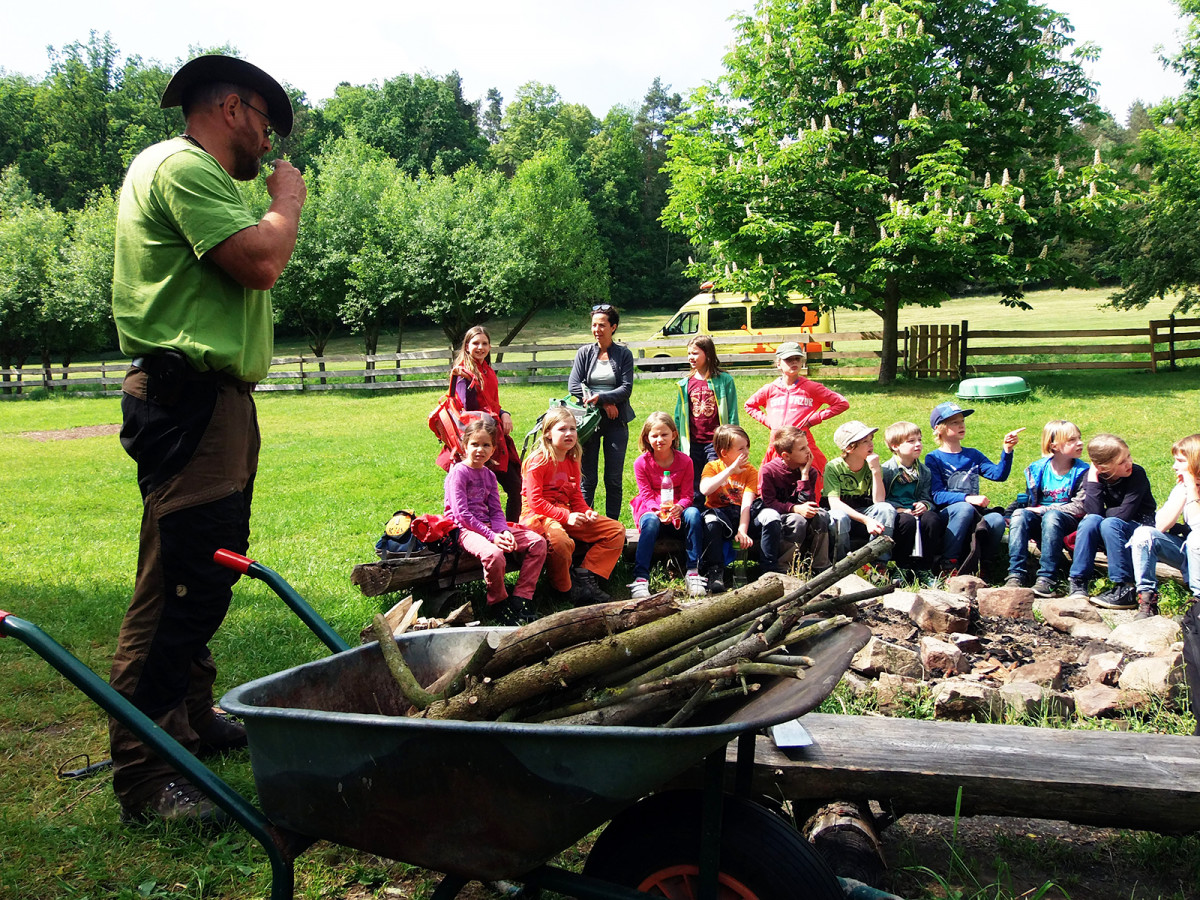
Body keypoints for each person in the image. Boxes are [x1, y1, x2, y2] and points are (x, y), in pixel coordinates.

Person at [109, 55, 306, 826]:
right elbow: (262, 261)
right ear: (231, 108)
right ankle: (146, 773)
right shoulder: (181, 167)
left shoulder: (205, 181)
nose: (269, 139)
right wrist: (286, 202)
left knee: (207, 569)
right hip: (188, 399)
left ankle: (190, 719)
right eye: (265, 120)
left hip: (214, 403)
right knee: (178, 584)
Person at [444, 420, 547, 626]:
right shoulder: (458, 472)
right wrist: (493, 537)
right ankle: (498, 602)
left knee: (538, 543)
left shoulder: (489, 475)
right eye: (475, 444)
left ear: (493, 449)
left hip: (490, 527)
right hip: (464, 529)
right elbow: (462, 514)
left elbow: (496, 510)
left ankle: (522, 597)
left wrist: (504, 531)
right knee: (494, 554)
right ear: (465, 445)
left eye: (486, 445)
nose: (480, 450)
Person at [520, 405, 626, 604]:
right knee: (561, 543)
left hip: (565, 513)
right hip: (538, 516)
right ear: (548, 433)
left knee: (615, 530)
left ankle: (585, 575)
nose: (569, 433)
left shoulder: (573, 458)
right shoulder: (537, 461)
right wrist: (566, 516)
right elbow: (535, 502)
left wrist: (586, 511)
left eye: (573, 429)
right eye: (562, 429)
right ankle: (564, 589)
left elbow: (575, 494)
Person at [926, 402, 1022, 576]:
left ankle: (983, 565)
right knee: (964, 508)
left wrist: (1007, 451)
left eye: (962, 421)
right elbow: (937, 495)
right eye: (954, 422)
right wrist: (967, 498)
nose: (961, 425)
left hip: (975, 513)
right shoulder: (934, 458)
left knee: (996, 520)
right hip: (949, 515)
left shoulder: (973, 455)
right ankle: (948, 564)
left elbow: (999, 475)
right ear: (939, 428)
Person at [742, 341, 848, 496]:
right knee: (772, 484)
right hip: (777, 445)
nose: (794, 362)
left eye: (797, 359)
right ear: (778, 363)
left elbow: (842, 403)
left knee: (811, 481)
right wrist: (768, 421)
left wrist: (816, 418)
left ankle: (813, 505)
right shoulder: (770, 389)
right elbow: (749, 405)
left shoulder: (811, 387)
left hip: (803, 444)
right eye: (788, 359)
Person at [1067, 433, 1157, 610]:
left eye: (1129, 456)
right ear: (1102, 468)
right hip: (1110, 530)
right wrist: (1093, 479)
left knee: (1108, 523)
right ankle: (1078, 581)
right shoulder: (1092, 477)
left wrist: (1104, 513)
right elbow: (1093, 513)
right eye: (1122, 462)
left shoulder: (1136, 474)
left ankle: (1125, 587)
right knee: (1090, 521)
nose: (1129, 463)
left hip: (1139, 528)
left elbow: (1125, 514)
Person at [445, 325, 522, 521]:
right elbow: (467, 412)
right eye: (476, 343)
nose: (480, 347)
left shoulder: (486, 369)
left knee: (515, 486)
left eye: (485, 343)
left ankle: (510, 528)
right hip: (479, 438)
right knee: (479, 492)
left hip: (493, 434)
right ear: (467, 346)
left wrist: (504, 413)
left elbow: (490, 403)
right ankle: (483, 528)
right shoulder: (464, 374)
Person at [1005, 420, 1089, 597]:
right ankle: (1016, 574)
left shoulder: (1083, 471)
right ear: (1054, 445)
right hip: (1041, 522)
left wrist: (1043, 510)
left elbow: (1080, 506)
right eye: (1072, 440)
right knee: (1019, 514)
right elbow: (1029, 498)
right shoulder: (1038, 469)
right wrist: (1009, 513)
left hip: (1067, 522)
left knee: (1051, 516)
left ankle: (1047, 579)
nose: (1080, 443)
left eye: (1079, 438)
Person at [568, 303, 635, 520]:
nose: (597, 329)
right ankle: (586, 524)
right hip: (589, 421)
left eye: (602, 325)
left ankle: (613, 525)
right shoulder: (584, 353)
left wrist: (604, 397)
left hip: (616, 421)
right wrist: (602, 402)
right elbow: (573, 385)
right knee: (587, 478)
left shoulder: (624, 354)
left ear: (613, 327)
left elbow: (626, 388)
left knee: (613, 478)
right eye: (594, 325)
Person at [629, 412, 706, 598]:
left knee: (694, 514)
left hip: (678, 509)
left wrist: (680, 506)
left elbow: (688, 495)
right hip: (652, 509)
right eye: (654, 435)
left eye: (664, 434)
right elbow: (646, 495)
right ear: (646, 438)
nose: (659, 440)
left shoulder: (685, 461)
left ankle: (693, 571)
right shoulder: (641, 463)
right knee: (650, 523)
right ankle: (641, 577)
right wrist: (658, 511)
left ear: (674, 435)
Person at [699, 424, 783, 592]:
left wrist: (742, 531)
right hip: (721, 517)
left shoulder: (750, 471)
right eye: (741, 449)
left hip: (744, 515)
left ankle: (769, 570)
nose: (747, 452)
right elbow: (705, 489)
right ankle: (715, 572)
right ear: (724, 453)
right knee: (710, 520)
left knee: (771, 516)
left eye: (747, 447)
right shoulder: (712, 467)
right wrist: (730, 470)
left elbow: (747, 503)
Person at [1128, 434, 1200, 620]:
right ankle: (1147, 601)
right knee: (1144, 534)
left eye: (1180, 461)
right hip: (1190, 553)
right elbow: (1159, 526)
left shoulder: (1192, 487)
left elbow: (1197, 526)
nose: (1174, 466)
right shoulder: (1184, 487)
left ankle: (1198, 605)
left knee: (1196, 538)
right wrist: (1184, 492)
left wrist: (1192, 490)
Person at [758, 425, 832, 574]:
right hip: (780, 515)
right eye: (802, 448)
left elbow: (809, 502)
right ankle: (785, 566)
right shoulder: (769, 471)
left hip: (801, 512)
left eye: (807, 446)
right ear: (786, 455)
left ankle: (820, 565)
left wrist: (804, 477)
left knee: (821, 516)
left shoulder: (810, 471)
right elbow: (768, 502)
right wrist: (794, 508)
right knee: (797, 521)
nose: (808, 451)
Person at [674, 335, 738, 503]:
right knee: (694, 481)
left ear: (708, 354)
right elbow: (679, 416)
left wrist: (732, 440)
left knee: (715, 479)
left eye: (695, 353)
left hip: (715, 442)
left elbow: (732, 412)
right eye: (689, 353)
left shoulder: (724, 381)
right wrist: (677, 440)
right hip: (693, 443)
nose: (691, 357)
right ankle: (696, 511)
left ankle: (716, 511)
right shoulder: (685, 384)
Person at [824, 421, 896, 563]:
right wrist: (866, 520)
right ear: (850, 448)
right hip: (843, 511)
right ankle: (841, 564)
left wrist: (875, 471)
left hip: (864, 508)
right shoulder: (833, 467)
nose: (871, 444)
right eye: (865, 441)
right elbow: (835, 504)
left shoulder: (872, 465)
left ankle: (878, 562)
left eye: (871, 439)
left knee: (886, 509)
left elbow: (879, 501)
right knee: (839, 517)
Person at [881, 421, 943, 572]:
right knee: (906, 522)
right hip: (897, 512)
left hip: (915, 510)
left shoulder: (924, 471)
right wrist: (899, 509)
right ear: (895, 446)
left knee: (932, 519)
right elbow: (880, 499)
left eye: (919, 440)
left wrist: (924, 504)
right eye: (911, 441)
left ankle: (924, 568)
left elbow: (927, 497)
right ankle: (902, 567)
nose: (918, 444)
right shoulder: (886, 470)